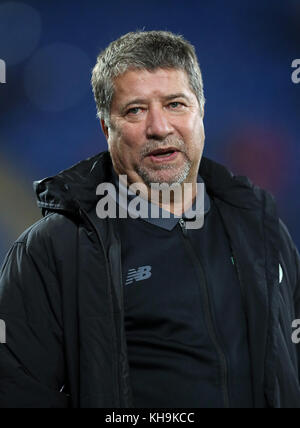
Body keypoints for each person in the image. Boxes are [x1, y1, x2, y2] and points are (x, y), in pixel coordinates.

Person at [0, 30, 300, 409]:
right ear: (107, 129)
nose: (159, 128)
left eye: (175, 104)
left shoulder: (262, 228)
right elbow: (15, 389)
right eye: (135, 110)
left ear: (200, 112)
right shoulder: (53, 249)